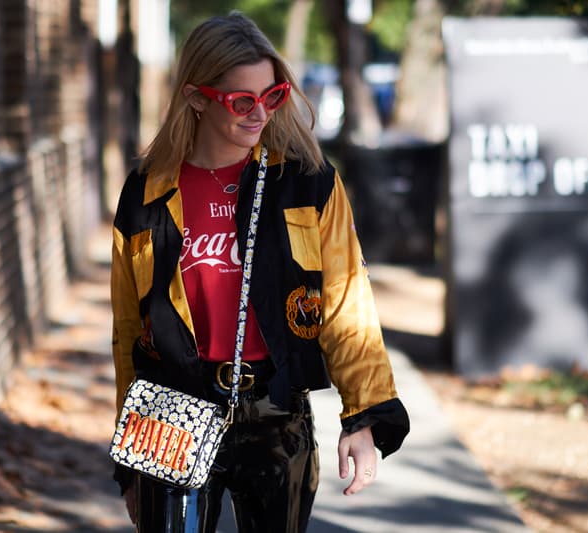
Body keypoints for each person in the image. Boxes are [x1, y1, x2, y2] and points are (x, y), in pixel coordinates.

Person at [110, 11, 409, 532]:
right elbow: (128, 331)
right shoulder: (147, 193)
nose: (260, 115)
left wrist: (364, 414)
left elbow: (347, 305)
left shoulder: (307, 183)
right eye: (242, 101)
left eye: (273, 97)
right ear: (196, 97)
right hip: (170, 406)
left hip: (276, 410)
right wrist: (129, 463)